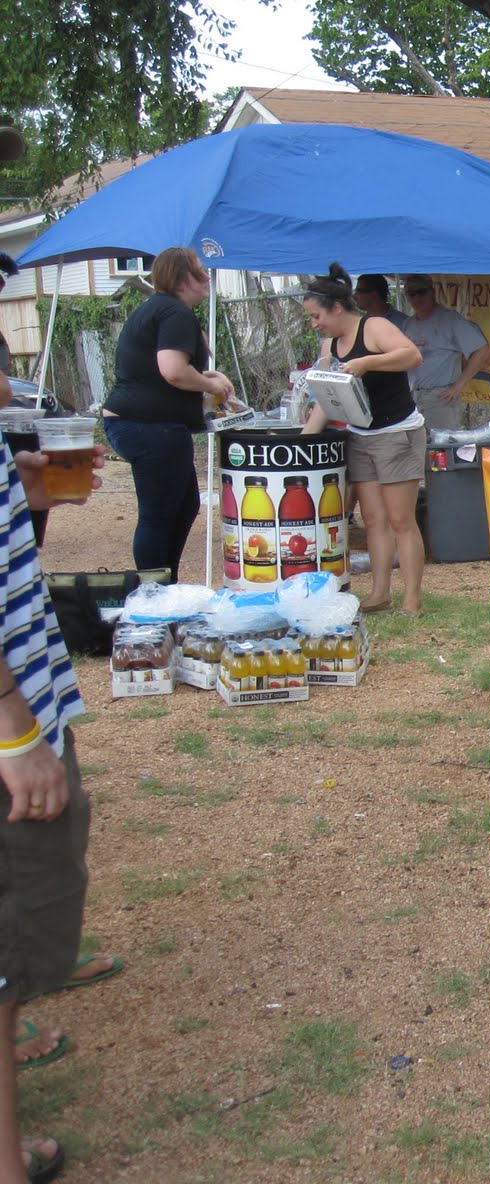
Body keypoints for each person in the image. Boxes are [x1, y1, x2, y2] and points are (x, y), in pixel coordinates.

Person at [0, 369, 106, 1184]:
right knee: (12, 934)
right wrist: (14, 730)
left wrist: (32, 498)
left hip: (30, 700)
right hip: (12, 726)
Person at [101, 247, 235, 580]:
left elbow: (172, 367)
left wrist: (208, 378)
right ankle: (155, 591)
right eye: (199, 271)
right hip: (149, 427)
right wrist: (209, 385)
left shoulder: (157, 309)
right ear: (181, 277)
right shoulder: (174, 313)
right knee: (157, 515)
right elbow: (173, 371)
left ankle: (165, 583)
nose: (207, 277)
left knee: (185, 505)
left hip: (139, 424)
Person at [300, 263, 426, 617]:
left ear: (337, 307)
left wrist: (367, 363)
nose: (314, 324)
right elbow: (327, 398)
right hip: (360, 434)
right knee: (372, 518)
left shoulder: (374, 326)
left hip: (396, 432)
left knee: (401, 518)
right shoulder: (330, 345)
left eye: (316, 316)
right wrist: (303, 441)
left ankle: (412, 599)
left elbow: (412, 356)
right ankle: (379, 593)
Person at [398, 274, 490, 432]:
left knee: (442, 448)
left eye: (421, 292)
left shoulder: (450, 320)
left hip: (441, 397)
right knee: (418, 450)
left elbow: (482, 350)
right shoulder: (408, 324)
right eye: (412, 294)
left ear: (432, 292)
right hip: (413, 397)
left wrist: (458, 386)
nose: (417, 298)